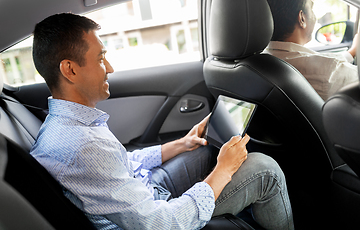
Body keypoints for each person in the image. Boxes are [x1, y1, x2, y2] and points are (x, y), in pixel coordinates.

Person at [30, 13, 294, 230]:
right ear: (70, 69)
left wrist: (180, 144)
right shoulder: (83, 147)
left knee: (204, 147)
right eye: (100, 58)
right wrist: (222, 171)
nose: (109, 67)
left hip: (145, 190)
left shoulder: (66, 124)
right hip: (157, 212)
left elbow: (120, 165)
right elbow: (161, 222)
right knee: (265, 169)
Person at [262, 0, 359, 101]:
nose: (314, 15)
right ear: (302, 18)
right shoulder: (328, 72)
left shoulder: (262, 62)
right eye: (311, 8)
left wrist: (352, 51)